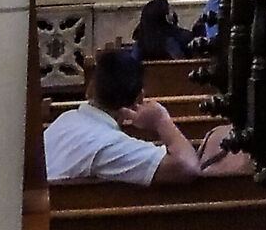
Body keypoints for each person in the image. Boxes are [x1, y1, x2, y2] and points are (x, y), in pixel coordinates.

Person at [42, 40, 249, 187]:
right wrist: (161, 120)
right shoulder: (106, 144)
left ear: (89, 89)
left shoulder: (65, 120)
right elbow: (187, 167)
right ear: (139, 99)